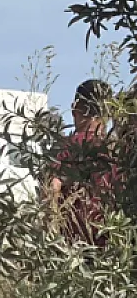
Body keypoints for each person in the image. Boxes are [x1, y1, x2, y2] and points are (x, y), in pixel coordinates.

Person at [50, 79, 116, 246]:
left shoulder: (69, 148)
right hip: (115, 245)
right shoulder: (119, 150)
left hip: (76, 247)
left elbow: (53, 188)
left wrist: (51, 236)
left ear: (75, 109)